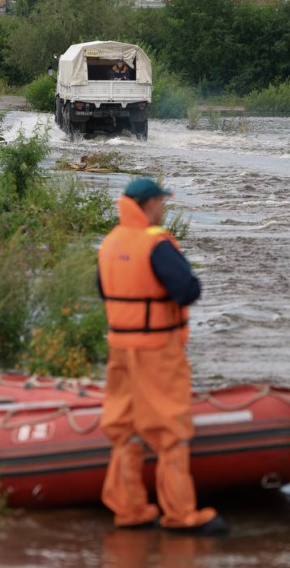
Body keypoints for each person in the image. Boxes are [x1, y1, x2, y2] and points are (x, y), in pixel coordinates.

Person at [97, 178, 229, 536]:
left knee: (123, 428)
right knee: (170, 430)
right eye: (161, 202)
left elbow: (102, 289)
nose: (164, 207)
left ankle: (129, 509)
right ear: (149, 204)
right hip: (157, 349)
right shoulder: (156, 243)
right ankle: (180, 514)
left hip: (120, 348)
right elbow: (187, 290)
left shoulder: (109, 243)